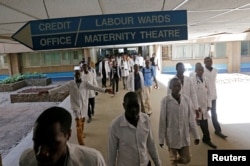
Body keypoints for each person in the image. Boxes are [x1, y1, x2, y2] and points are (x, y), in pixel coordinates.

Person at [39, 70, 112, 145]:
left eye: (78, 75)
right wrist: (47, 92)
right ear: (74, 76)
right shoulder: (71, 83)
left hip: (84, 106)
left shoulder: (85, 83)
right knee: (78, 124)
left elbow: (95, 88)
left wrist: (106, 90)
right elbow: (60, 88)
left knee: (82, 121)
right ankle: (81, 143)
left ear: (80, 75)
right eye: (76, 75)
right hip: (75, 106)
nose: (77, 76)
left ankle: (82, 133)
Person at [19, 106, 106, 166]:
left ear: (68, 135)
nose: (41, 153)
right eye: (37, 142)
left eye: (52, 144)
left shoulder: (92, 161)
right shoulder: (26, 160)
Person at [108, 92, 161, 166]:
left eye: (136, 106)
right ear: (124, 106)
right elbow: (112, 153)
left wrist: (158, 163)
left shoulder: (146, 120)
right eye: (129, 106)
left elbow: (151, 144)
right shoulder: (115, 126)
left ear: (140, 105)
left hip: (145, 163)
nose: (133, 110)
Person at [159, 78, 200, 166]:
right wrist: (161, 139)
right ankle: (174, 161)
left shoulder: (186, 100)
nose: (177, 88)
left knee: (187, 159)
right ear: (170, 87)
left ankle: (176, 161)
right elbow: (162, 120)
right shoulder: (165, 101)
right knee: (173, 161)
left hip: (184, 136)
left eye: (179, 86)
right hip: (172, 136)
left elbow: (191, 119)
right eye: (175, 86)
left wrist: (196, 136)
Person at [191, 64, 217, 148]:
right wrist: (196, 106)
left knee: (204, 122)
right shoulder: (192, 80)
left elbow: (209, 93)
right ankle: (206, 139)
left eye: (202, 70)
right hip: (197, 105)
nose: (200, 71)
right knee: (201, 123)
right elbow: (192, 95)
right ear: (195, 71)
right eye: (198, 70)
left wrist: (209, 104)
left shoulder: (206, 80)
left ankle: (206, 138)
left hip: (205, 105)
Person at [203, 56, 227, 139]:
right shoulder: (203, 71)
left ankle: (218, 130)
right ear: (204, 62)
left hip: (213, 95)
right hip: (205, 97)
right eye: (207, 61)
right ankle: (205, 135)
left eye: (210, 61)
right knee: (204, 114)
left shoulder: (215, 70)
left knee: (214, 113)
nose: (209, 62)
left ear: (212, 62)